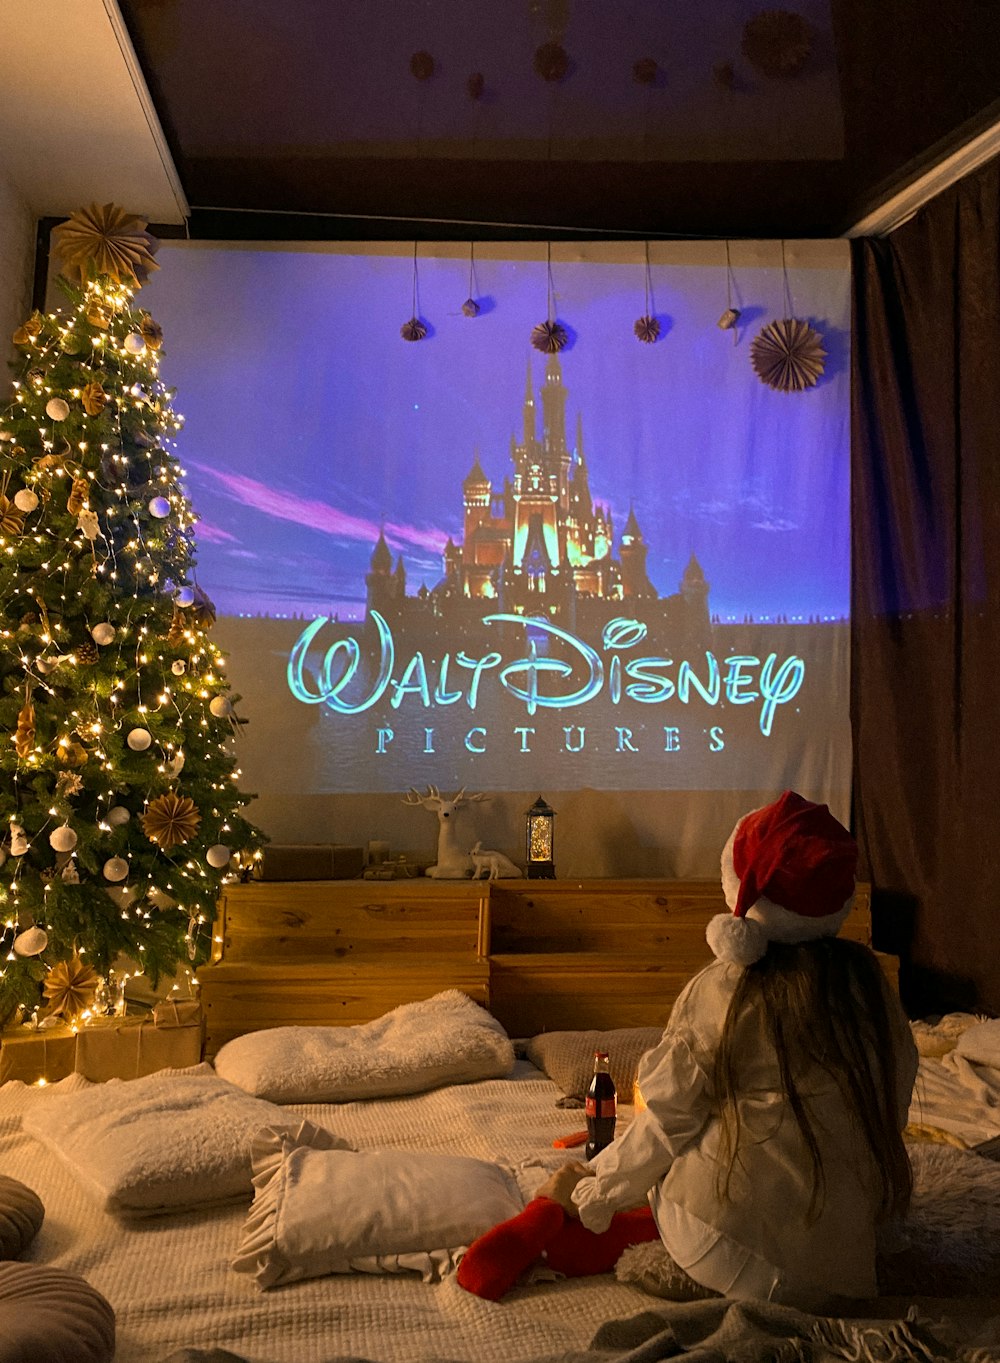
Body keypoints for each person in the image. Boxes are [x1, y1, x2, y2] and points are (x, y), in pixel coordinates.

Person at [457, 791, 918, 1308]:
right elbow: (892, 1104)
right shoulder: (871, 985)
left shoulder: (725, 987)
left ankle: (634, 1229)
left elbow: (664, 1124)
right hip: (847, 1264)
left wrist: (595, 1191)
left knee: (669, 1142)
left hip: (734, 1253)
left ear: (738, 888)